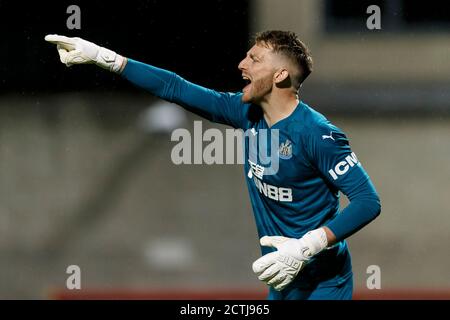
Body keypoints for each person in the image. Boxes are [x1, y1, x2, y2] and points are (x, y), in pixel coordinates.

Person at [45, 30, 381, 300]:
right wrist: (105, 58)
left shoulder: (318, 135)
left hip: (324, 281)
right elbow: (176, 87)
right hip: (280, 276)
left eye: (254, 59)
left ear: (280, 75)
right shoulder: (246, 112)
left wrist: (305, 247)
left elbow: (368, 202)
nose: (241, 64)